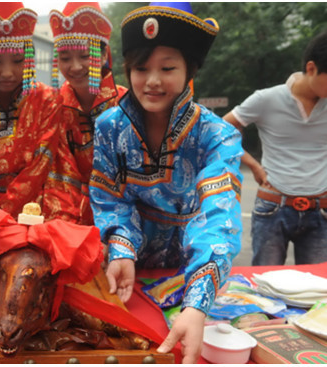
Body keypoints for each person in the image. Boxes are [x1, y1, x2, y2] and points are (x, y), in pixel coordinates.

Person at [89, 3, 243, 363]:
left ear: (190, 69)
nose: (152, 80)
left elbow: (218, 215)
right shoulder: (110, 126)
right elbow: (110, 199)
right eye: (141, 68)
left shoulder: (217, 135)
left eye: (168, 68)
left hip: (193, 264)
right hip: (128, 267)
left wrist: (198, 299)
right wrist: (123, 249)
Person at [0, 2, 82, 222]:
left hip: (44, 203)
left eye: (18, 61)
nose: (7, 72)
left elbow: (40, 165)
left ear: (30, 61)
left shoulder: (47, 100)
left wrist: (0, 216)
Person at [223, 30, 327, 266]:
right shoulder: (266, 99)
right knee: (265, 288)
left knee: (317, 291)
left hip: (321, 211)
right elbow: (222, 129)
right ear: (311, 68)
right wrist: (252, 165)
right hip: (273, 207)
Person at [49, 2, 127, 225]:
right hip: (71, 212)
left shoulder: (125, 103)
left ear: (103, 55)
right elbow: (59, 177)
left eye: (84, 56)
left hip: (124, 212)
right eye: (65, 58)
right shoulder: (54, 109)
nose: (74, 67)